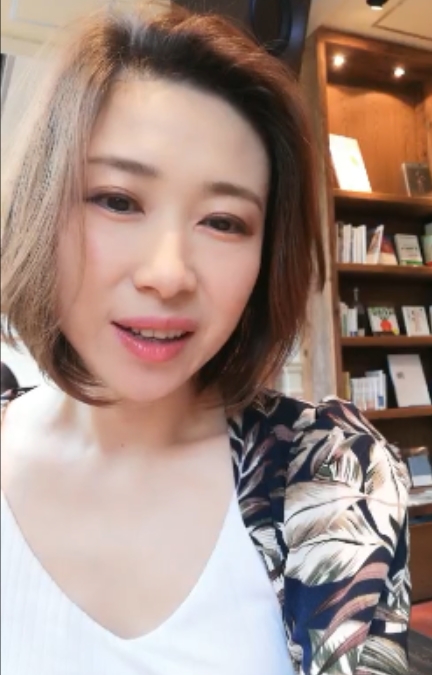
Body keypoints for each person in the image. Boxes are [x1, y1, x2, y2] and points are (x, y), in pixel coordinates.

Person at [0, 3, 410, 674]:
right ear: (41, 207)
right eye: (118, 200)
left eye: (222, 221)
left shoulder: (334, 475)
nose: (168, 274)